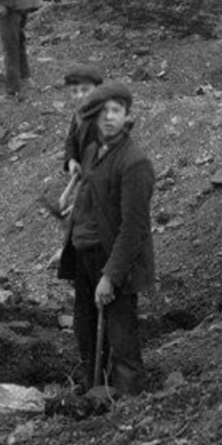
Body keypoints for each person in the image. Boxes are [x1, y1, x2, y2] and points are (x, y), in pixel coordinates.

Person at [56, 83, 155, 397]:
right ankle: (95, 395)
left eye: (117, 111)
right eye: (103, 112)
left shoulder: (134, 162)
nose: (109, 117)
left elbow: (134, 228)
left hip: (114, 258)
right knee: (85, 331)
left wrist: (110, 277)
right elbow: (88, 199)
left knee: (121, 336)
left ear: (127, 117)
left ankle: (128, 404)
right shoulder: (91, 151)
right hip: (85, 252)